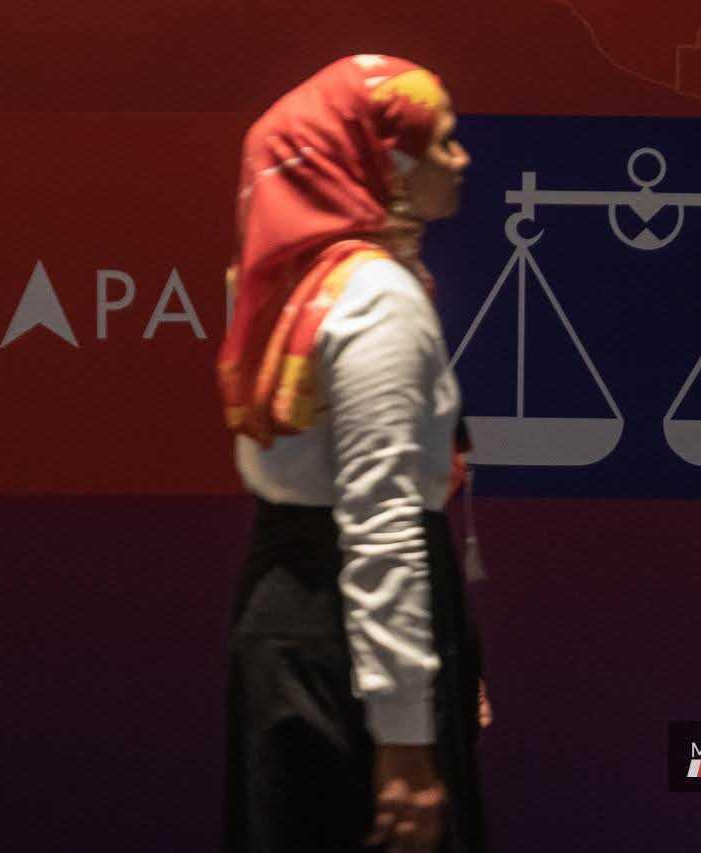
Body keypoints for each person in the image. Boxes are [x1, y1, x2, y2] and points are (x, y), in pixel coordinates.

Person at [218, 54, 489, 853]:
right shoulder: (375, 301)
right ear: (385, 166)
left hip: (290, 619)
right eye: (441, 144)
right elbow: (378, 527)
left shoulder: (291, 280)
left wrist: (449, 658)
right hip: (345, 643)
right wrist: (404, 740)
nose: (461, 159)